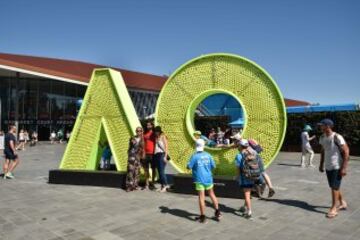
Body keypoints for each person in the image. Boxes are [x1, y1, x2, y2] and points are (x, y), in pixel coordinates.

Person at [318, 119, 349, 219]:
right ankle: (342, 203)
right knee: (333, 186)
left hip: (337, 165)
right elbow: (323, 151)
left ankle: (334, 208)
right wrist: (321, 164)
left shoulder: (337, 137)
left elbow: (346, 151)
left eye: (321, 125)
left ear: (328, 126)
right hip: (328, 166)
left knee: (334, 187)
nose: (320, 127)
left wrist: (344, 168)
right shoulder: (322, 137)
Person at [187, 138, 222, 223]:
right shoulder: (208, 155)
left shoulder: (194, 156)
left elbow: (188, 167)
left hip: (199, 179)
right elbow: (213, 166)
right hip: (208, 178)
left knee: (201, 197)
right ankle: (218, 212)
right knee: (212, 194)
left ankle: (203, 217)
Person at [235, 139, 262, 219]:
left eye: (238, 145)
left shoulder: (239, 156)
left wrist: (237, 176)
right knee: (248, 192)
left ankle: (249, 212)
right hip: (253, 175)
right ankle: (244, 207)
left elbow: (237, 168)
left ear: (240, 146)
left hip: (245, 177)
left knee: (247, 194)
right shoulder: (253, 153)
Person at [125, 127, 145, 192]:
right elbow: (130, 147)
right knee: (130, 171)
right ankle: (129, 186)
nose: (138, 132)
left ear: (142, 131)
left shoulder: (143, 139)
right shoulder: (132, 138)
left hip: (138, 158)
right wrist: (131, 143)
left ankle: (135, 185)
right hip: (131, 157)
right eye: (137, 131)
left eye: (140, 131)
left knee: (137, 172)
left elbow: (143, 149)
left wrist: (143, 156)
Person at [154, 126, 169, 192]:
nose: (156, 133)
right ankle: (162, 185)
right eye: (155, 131)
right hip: (157, 154)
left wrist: (165, 157)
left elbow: (166, 147)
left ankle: (165, 185)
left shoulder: (163, 137)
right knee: (159, 171)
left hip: (162, 154)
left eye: (157, 131)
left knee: (162, 171)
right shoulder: (156, 138)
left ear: (159, 131)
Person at [142, 121, 156, 190]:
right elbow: (143, 144)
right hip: (146, 154)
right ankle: (146, 184)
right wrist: (143, 153)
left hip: (153, 154)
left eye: (149, 125)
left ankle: (153, 183)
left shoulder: (154, 133)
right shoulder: (144, 134)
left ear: (152, 126)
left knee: (153, 169)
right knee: (146, 169)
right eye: (147, 125)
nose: (148, 126)